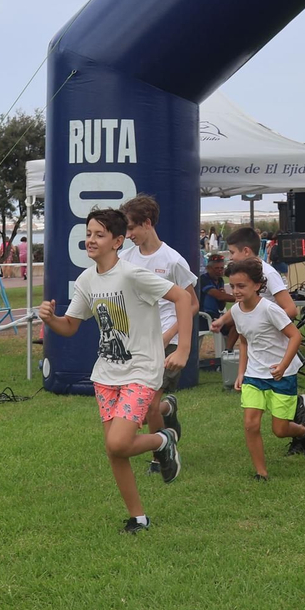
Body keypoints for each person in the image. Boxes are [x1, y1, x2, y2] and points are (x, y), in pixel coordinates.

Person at [38, 208, 187, 532]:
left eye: (99, 234)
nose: (91, 240)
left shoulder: (133, 275)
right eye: (89, 233)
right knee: (114, 451)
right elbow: (71, 326)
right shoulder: (86, 280)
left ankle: (163, 441)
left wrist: (185, 348)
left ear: (118, 241)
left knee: (119, 443)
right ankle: (138, 518)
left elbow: (182, 299)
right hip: (105, 374)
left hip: (141, 370)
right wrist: (51, 320)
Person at [119, 195, 198, 471]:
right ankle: (169, 409)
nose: (127, 235)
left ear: (147, 223)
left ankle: (160, 455)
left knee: (148, 404)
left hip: (166, 340)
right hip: (137, 341)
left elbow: (193, 303)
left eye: (131, 229)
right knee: (143, 407)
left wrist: (170, 337)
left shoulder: (173, 260)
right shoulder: (125, 258)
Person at [227, 259, 305, 478]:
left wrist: (283, 366)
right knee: (250, 424)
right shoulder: (236, 311)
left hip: (281, 374)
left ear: (257, 285)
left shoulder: (270, 309)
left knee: (280, 430)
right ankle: (261, 473)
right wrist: (241, 372)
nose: (236, 291)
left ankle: (304, 432)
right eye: (233, 286)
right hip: (254, 375)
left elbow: (296, 336)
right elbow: (245, 341)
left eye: (242, 286)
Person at [196, 253, 231, 319]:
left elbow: (221, 307)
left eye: (222, 268)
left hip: (214, 315)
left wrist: (223, 297)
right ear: (208, 268)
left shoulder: (220, 281)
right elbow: (219, 296)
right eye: (216, 268)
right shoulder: (203, 279)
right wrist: (239, 298)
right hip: (203, 316)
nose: (220, 270)